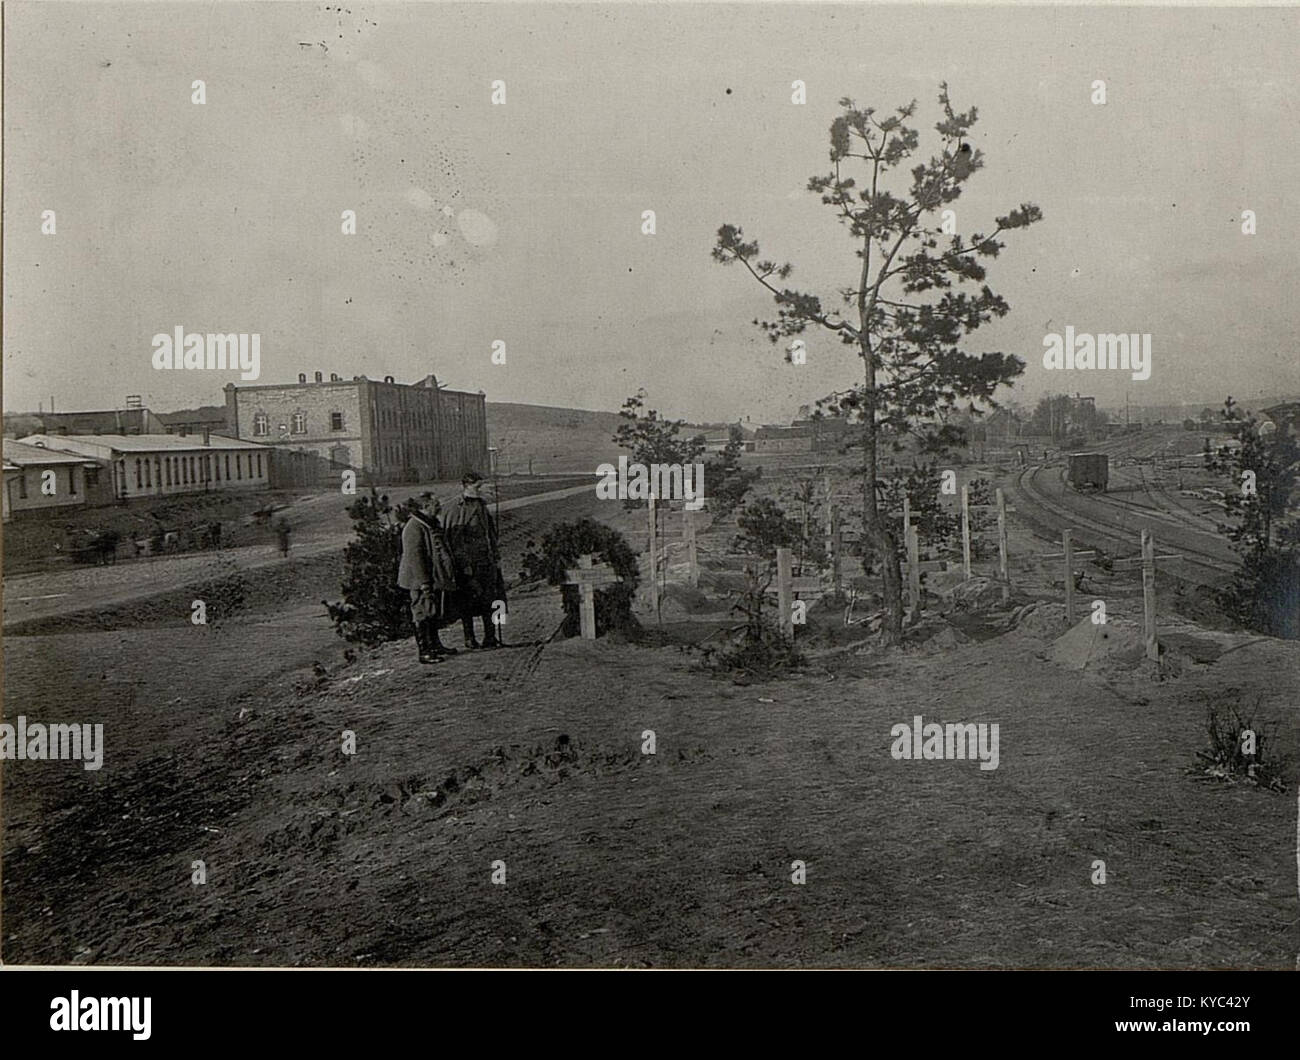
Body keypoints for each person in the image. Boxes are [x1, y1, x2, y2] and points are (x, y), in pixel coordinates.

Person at [444, 471, 507, 649]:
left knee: (492, 599)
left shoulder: (481, 506)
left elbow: (491, 534)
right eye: (477, 487)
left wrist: (496, 556)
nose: (481, 490)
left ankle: (490, 637)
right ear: (466, 486)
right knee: (467, 602)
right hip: (469, 566)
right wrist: (464, 565)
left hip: (486, 562)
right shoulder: (456, 508)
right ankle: (469, 638)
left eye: (482, 486)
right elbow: (455, 542)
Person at [397, 493, 459, 664]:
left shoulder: (428, 524)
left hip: (430, 578)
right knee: (422, 613)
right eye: (435, 504)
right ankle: (424, 652)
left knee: (432, 611)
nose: (439, 507)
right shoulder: (414, 527)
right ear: (425, 507)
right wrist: (424, 582)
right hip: (418, 580)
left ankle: (435, 645)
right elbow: (415, 558)